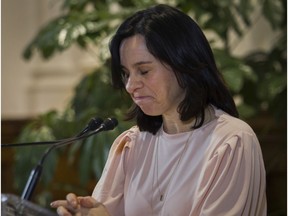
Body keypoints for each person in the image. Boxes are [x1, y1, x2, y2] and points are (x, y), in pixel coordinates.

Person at [50, 4, 267, 216]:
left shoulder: (232, 142)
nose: (130, 85)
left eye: (143, 71)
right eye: (126, 74)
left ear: (184, 64)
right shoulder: (131, 145)